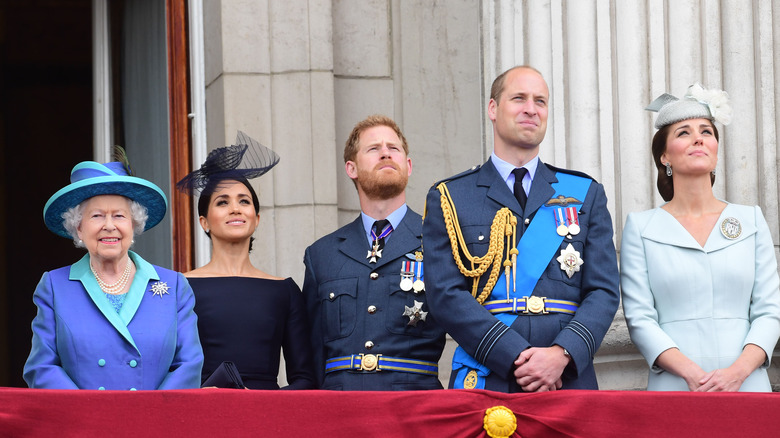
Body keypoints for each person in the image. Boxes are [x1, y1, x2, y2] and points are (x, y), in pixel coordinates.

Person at [422, 66, 620, 392]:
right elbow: (445, 295)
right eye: (519, 98)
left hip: (565, 377)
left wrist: (561, 354)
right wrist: (516, 354)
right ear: (492, 108)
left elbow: (603, 291)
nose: (531, 108)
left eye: (540, 101)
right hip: (490, 372)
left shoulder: (585, 192)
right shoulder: (451, 197)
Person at [620, 84, 780, 391]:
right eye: (683, 132)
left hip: (747, 384)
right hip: (677, 386)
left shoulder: (751, 220)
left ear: (716, 149)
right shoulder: (641, 228)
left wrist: (737, 372)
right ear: (664, 156)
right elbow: (640, 318)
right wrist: (693, 375)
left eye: (706, 131)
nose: (698, 138)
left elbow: (768, 311)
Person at [24, 152, 204, 390]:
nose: (109, 226)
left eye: (119, 216)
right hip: (83, 422)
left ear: (134, 224)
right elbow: (41, 367)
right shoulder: (55, 286)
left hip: (152, 422)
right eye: (97, 216)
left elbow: (189, 365)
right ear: (78, 228)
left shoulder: (175, 285)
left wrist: (152, 413)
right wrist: (89, 413)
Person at [302, 115, 446, 390]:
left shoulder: (441, 242)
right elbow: (312, 353)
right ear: (351, 168)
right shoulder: (322, 255)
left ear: (409, 165)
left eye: (394, 148)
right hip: (341, 410)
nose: (385, 153)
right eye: (374, 149)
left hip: (414, 407)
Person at [177, 131, 315, 390]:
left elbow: (305, 379)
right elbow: (169, 369)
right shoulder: (180, 287)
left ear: (256, 218)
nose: (235, 208)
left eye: (244, 201)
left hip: (267, 421)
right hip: (200, 418)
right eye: (222, 202)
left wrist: (262, 404)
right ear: (204, 222)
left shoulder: (284, 290)